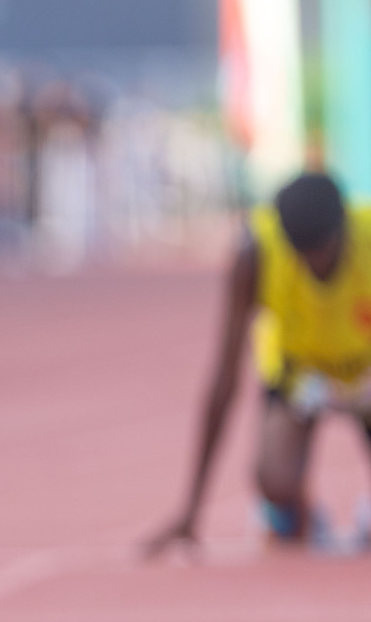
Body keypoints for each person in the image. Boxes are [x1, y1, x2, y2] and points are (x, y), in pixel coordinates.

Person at [148, 172, 371, 552]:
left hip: (365, 374)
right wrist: (192, 510)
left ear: (342, 231)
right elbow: (225, 378)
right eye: (301, 253)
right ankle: (295, 514)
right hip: (301, 378)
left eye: (321, 252)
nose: (312, 264)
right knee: (274, 477)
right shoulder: (255, 254)